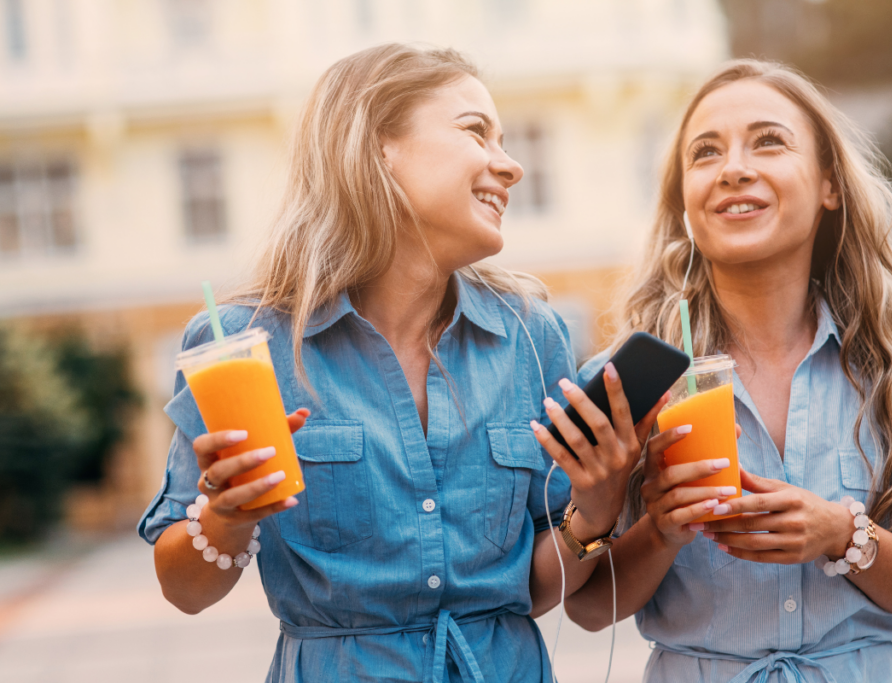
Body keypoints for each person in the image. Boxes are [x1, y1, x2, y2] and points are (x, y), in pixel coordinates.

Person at [138, 44, 661, 683]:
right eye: (476, 133)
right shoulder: (247, 342)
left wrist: (598, 506)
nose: (512, 165)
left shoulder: (531, 334)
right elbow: (184, 590)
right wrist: (225, 516)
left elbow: (534, 590)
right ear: (378, 146)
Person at [557, 59, 892, 682]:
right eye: (705, 153)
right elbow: (589, 608)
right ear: (685, 202)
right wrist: (661, 531)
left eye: (768, 141)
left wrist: (843, 534)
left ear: (828, 185)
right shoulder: (633, 382)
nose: (734, 167)